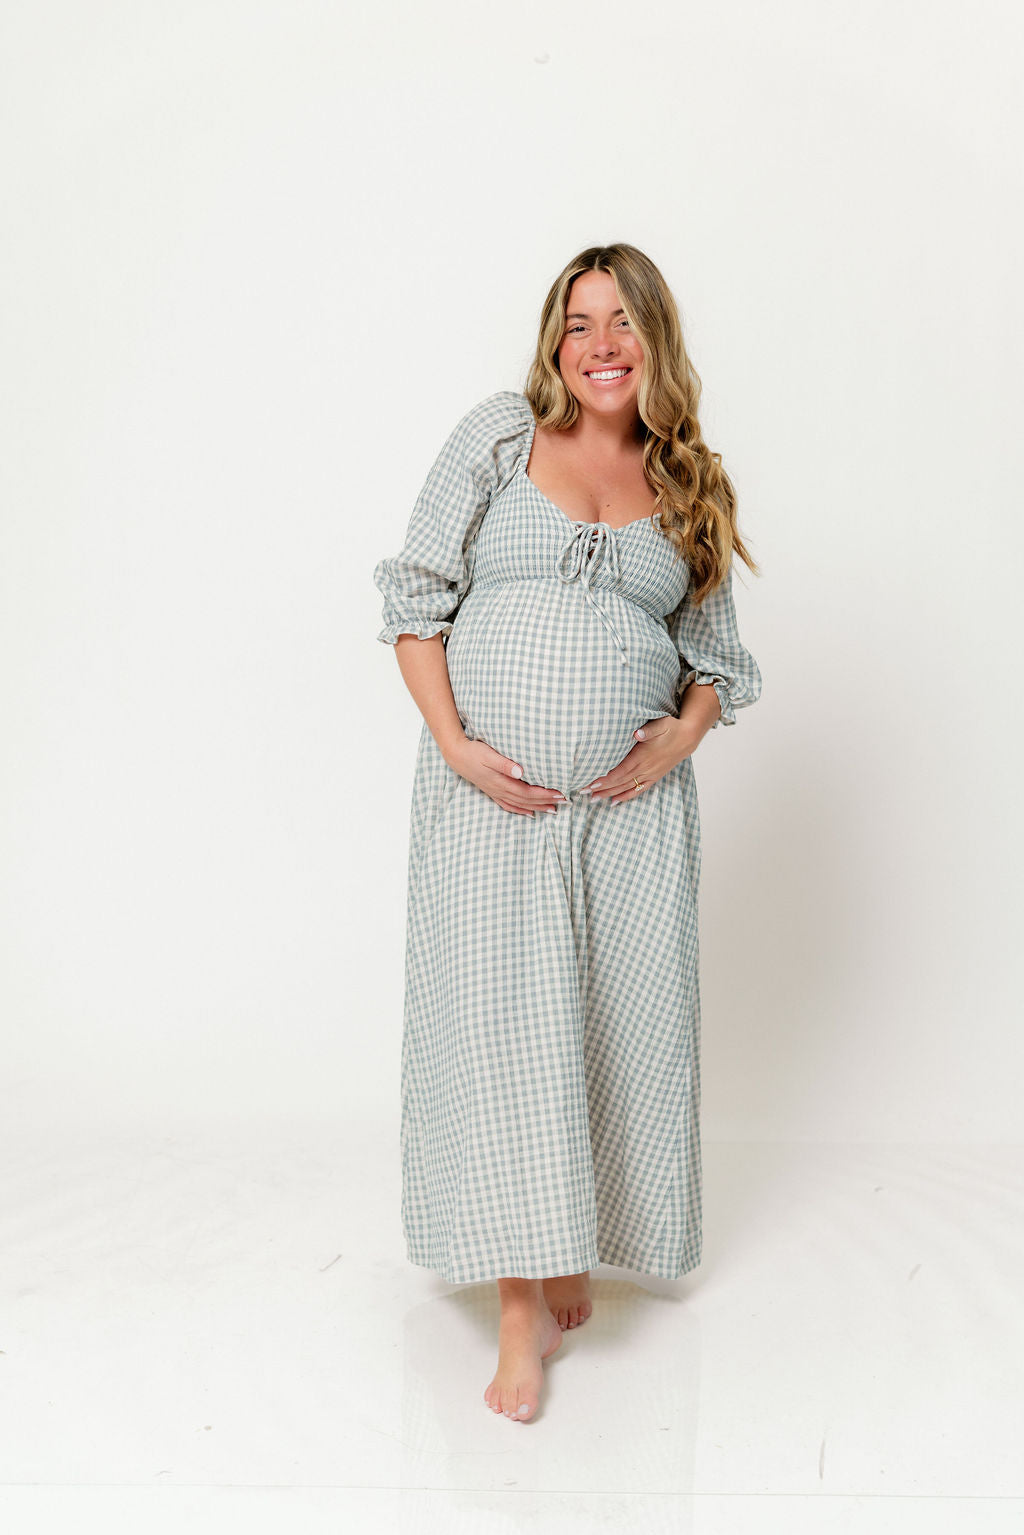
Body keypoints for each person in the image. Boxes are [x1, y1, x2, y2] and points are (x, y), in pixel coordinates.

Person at [372, 243, 762, 1423]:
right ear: (554, 343)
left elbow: (717, 663)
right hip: (494, 804)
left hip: (628, 817)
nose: (599, 344)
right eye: (577, 322)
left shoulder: (687, 483)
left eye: (621, 321)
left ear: (655, 341)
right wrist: (455, 743)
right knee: (506, 1030)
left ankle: (569, 1244)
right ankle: (518, 1307)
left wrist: (679, 738)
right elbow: (414, 597)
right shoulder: (500, 437)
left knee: (610, 1027)